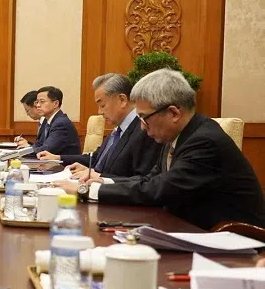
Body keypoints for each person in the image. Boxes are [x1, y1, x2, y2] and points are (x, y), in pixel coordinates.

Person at [57, 69, 265, 231]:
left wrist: (87, 191)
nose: (141, 127)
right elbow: (150, 179)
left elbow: (160, 189)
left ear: (173, 113)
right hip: (189, 230)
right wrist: (103, 181)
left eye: (144, 118)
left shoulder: (204, 141)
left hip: (230, 242)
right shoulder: (176, 136)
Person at [39, 73, 162, 178]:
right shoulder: (118, 130)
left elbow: (141, 180)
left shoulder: (145, 131)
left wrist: (98, 176)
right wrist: (59, 158)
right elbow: (96, 158)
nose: (99, 112)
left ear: (122, 100)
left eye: (102, 105)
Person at [16, 86, 80, 155]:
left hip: (63, 165)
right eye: (37, 102)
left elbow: (46, 150)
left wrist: (17, 153)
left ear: (55, 104)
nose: (38, 105)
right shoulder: (48, 121)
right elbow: (39, 145)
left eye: (42, 102)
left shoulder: (61, 123)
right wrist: (25, 147)